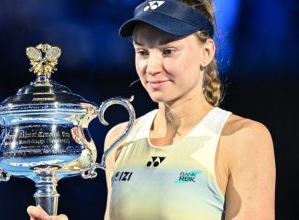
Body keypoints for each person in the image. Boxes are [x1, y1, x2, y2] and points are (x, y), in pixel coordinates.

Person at [27, 0, 276, 219]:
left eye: (168, 51)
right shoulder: (120, 139)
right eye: (143, 52)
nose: (152, 66)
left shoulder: (244, 139)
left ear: (206, 52)